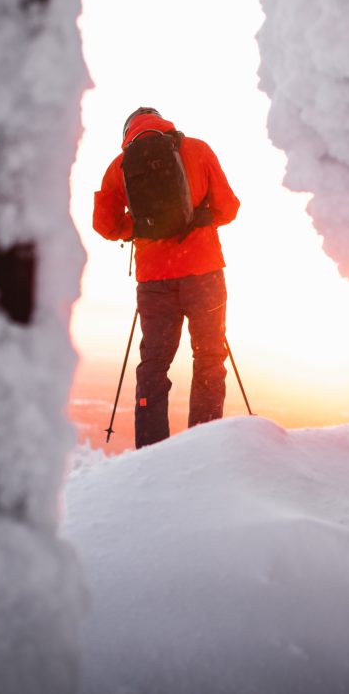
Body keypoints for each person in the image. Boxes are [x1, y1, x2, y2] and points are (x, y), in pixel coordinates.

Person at [93, 107, 240, 448]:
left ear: (128, 133)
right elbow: (229, 207)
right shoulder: (197, 149)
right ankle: (202, 443)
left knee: (154, 366)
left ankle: (151, 449)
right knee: (208, 357)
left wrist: (142, 228)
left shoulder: (120, 166)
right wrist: (197, 220)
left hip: (154, 280)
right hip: (203, 272)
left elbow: (105, 224)